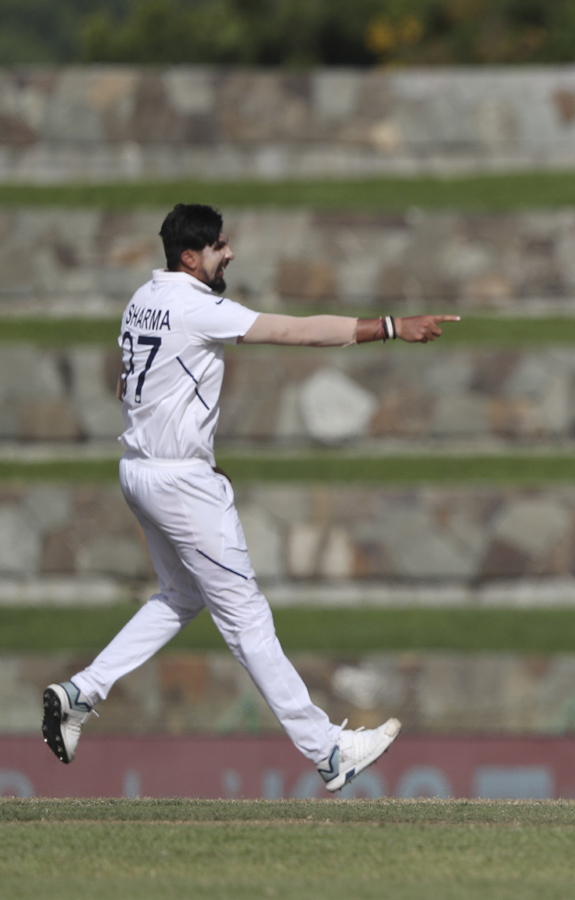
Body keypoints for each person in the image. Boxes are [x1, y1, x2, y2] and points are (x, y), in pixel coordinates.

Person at [41, 203, 459, 793]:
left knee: (181, 595)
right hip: (179, 481)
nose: (229, 253)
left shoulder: (143, 300)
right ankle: (328, 751)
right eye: (219, 247)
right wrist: (389, 326)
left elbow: (126, 383)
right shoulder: (195, 307)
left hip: (140, 468)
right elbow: (293, 331)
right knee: (246, 617)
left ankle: (81, 692)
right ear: (191, 257)